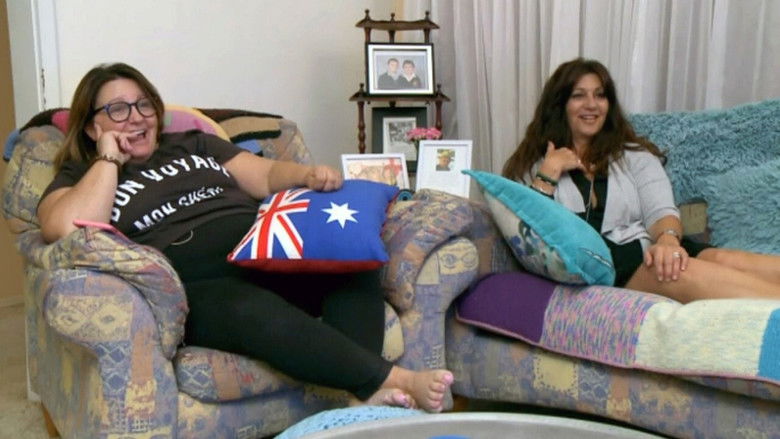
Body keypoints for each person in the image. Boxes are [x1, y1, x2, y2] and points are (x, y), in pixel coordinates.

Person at [37, 62, 453, 411]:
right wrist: (109, 158)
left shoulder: (193, 144)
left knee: (351, 260)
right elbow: (69, 226)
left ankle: (355, 394)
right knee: (247, 307)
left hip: (263, 252)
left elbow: (266, 175)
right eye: (118, 109)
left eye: (144, 104)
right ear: (92, 127)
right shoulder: (81, 175)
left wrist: (306, 175)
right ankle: (389, 380)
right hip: (198, 285)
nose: (136, 116)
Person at [502, 57, 780, 303]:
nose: (592, 105)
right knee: (679, 272)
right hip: (616, 265)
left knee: (724, 258)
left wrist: (668, 241)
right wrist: (549, 173)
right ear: (560, 104)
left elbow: (661, 211)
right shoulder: (534, 165)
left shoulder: (634, 156)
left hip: (654, 248)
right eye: (579, 96)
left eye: (600, 95)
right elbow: (531, 238)